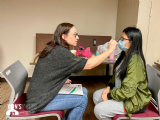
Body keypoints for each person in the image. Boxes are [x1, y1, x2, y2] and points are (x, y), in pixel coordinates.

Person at [25, 23, 117, 120]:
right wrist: (110, 50)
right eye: (74, 35)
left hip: (39, 94)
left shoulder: (55, 48)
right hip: (38, 102)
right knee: (82, 100)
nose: (77, 37)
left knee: (83, 91)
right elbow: (89, 65)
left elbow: (49, 72)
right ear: (64, 36)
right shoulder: (60, 52)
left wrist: (60, 80)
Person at [93, 27, 152, 120]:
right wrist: (109, 86)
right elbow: (117, 74)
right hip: (123, 92)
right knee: (96, 96)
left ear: (132, 42)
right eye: (120, 38)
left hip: (134, 100)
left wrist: (109, 96)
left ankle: (108, 111)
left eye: (123, 39)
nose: (120, 41)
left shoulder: (135, 61)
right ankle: (111, 113)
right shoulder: (124, 55)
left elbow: (128, 91)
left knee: (98, 110)